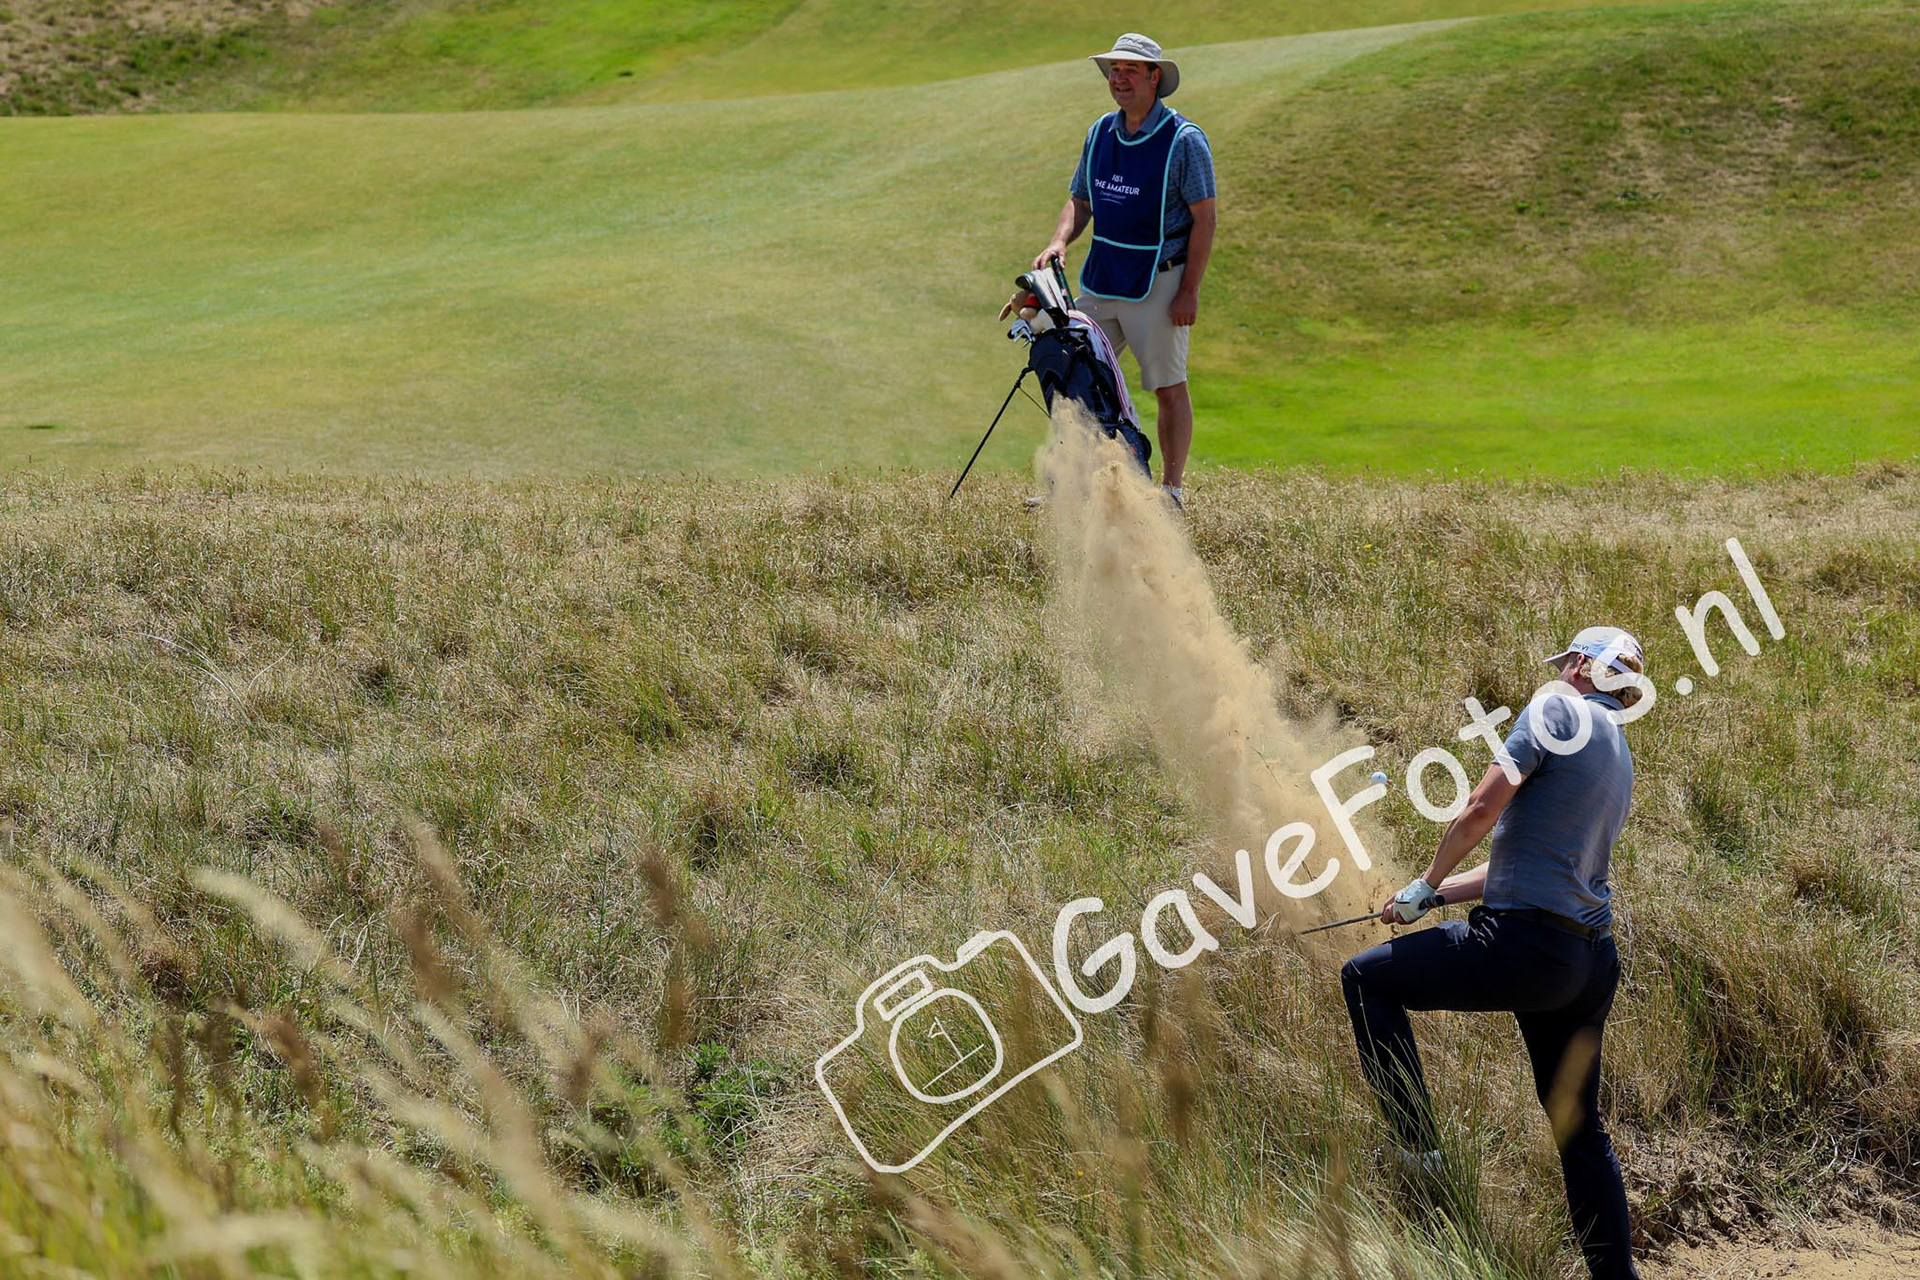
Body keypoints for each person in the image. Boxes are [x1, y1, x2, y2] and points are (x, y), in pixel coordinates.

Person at [1340, 626, 1648, 1280]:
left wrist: (1426, 878)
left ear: (1584, 665)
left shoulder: (1557, 707)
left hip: (1526, 947)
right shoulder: (1618, 753)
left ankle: (1419, 1155)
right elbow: (1529, 862)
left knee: (1367, 981)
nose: (1560, 672)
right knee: (1579, 1131)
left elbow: (1481, 809)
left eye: (1566, 662)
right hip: (1588, 964)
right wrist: (1433, 895)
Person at [1033, 33, 1215, 512]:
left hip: (1159, 281)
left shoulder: (1184, 140)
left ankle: (1171, 492)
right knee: (1073, 376)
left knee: (1168, 387)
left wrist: (1189, 291)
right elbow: (1080, 201)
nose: (1119, 78)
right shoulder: (1100, 133)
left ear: (1155, 77)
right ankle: (1068, 484)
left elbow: (1205, 218)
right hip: (1102, 278)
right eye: (1114, 70)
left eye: (1130, 70)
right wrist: (1059, 241)